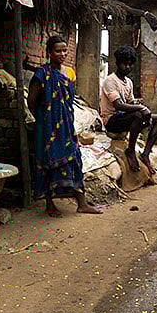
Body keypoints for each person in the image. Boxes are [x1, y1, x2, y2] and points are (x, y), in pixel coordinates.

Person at [27, 35, 102, 216]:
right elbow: (32, 101)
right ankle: (49, 204)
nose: (62, 54)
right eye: (57, 51)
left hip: (67, 124)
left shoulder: (69, 73)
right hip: (47, 126)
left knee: (74, 158)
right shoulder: (41, 74)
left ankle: (81, 203)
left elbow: (69, 99)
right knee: (48, 162)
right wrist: (46, 117)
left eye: (64, 50)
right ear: (49, 53)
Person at [100, 44, 157, 172]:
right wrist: (141, 108)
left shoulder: (128, 82)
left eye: (130, 64)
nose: (127, 67)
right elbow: (118, 105)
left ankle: (145, 154)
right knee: (138, 114)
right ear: (118, 63)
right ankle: (130, 150)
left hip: (123, 117)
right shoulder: (110, 81)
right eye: (124, 64)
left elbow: (130, 102)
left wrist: (140, 105)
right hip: (111, 120)